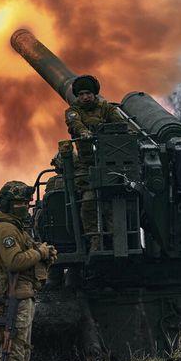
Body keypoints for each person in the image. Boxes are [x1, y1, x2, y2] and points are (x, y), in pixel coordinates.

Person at [0, 181, 56, 361]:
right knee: (13, 354)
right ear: (7, 204)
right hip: (12, 296)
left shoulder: (16, 229)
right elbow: (14, 261)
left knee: (21, 351)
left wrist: (45, 253)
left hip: (22, 294)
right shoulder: (5, 229)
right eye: (19, 203)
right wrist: (40, 253)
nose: (24, 206)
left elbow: (28, 256)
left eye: (26, 202)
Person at [63, 74, 125, 250]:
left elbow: (120, 125)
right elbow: (75, 124)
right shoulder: (73, 111)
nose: (85, 97)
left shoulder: (107, 109)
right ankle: (95, 239)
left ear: (94, 93)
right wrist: (85, 133)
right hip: (87, 166)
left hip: (110, 165)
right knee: (89, 202)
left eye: (88, 93)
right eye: (81, 94)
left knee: (114, 202)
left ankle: (117, 241)